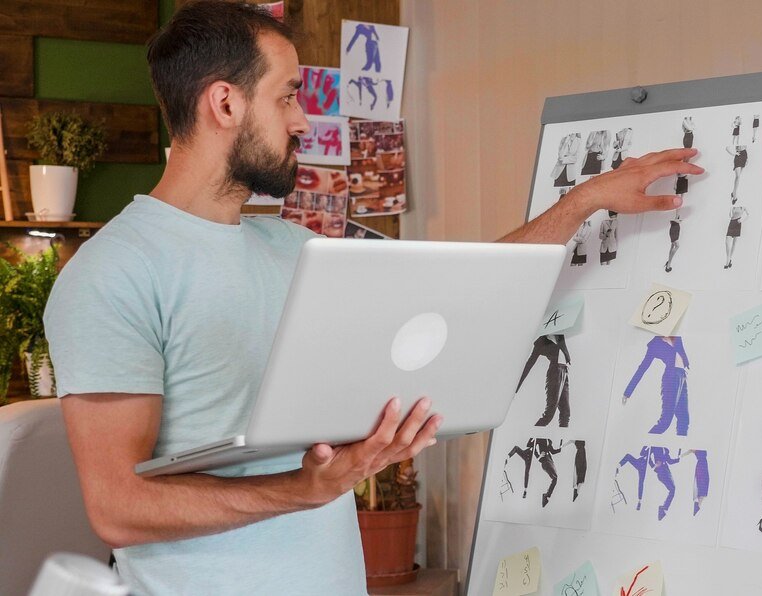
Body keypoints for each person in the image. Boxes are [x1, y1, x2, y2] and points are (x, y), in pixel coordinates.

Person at [42, 3, 704, 594]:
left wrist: (584, 200)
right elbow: (117, 507)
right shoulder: (113, 274)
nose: (303, 120)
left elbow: (464, 291)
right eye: (288, 96)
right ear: (225, 104)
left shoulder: (296, 249)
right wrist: (302, 490)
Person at [623, 336, 691, 436]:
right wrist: (627, 392)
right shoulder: (655, 344)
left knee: (684, 420)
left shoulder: (676, 337)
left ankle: (681, 443)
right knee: (665, 422)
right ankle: (646, 440)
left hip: (682, 376)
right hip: (671, 379)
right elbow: (642, 368)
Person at [515, 334, 573, 427]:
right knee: (549, 413)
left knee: (565, 413)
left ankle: (562, 435)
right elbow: (529, 364)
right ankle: (533, 434)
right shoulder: (541, 342)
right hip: (555, 373)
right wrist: (515, 387)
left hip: (564, 371)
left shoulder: (559, 335)